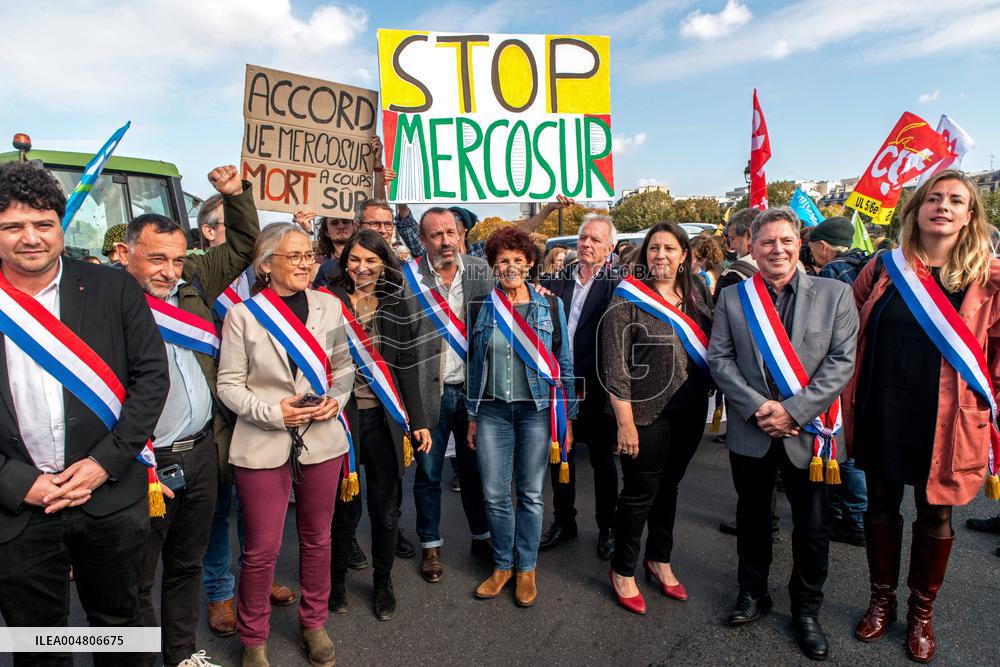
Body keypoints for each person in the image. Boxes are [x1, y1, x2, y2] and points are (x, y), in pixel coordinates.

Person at [0, 161, 169, 667]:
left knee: (120, 629)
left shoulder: (112, 288)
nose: (31, 237)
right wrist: (15, 482)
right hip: (16, 508)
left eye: (43, 223)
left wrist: (104, 463)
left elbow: (150, 379)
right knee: (37, 645)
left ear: (61, 224)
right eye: (12, 226)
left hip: (108, 497)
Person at [843, 170, 1000, 663]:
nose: (943, 206)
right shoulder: (883, 267)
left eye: (955, 200)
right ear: (917, 210)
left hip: (947, 418)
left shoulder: (988, 280)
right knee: (880, 503)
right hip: (881, 405)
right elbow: (849, 328)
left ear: (969, 215)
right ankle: (881, 600)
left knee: (937, 513)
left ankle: (921, 613)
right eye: (933, 198)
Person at [117, 165, 258, 667]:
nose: (169, 271)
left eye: (177, 259)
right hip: (142, 464)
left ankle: (181, 654)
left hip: (200, 453)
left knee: (185, 566)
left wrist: (236, 195)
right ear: (124, 255)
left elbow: (244, 246)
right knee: (135, 579)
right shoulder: (107, 303)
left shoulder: (195, 281)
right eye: (156, 258)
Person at [708, 206, 859, 661]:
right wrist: (759, 409)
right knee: (752, 519)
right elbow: (720, 360)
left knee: (812, 528)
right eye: (767, 242)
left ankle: (806, 610)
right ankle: (752, 593)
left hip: (811, 434)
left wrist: (793, 412)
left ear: (800, 244)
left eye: (786, 241)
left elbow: (841, 362)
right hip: (752, 429)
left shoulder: (835, 294)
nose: (777, 249)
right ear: (751, 248)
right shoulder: (734, 297)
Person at [216, 223, 355, 667]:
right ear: (265, 264)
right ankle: (253, 638)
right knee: (261, 549)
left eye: (308, 255)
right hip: (262, 440)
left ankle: (313, 623)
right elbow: (228, 385)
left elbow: (344, 367)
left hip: (322, 439)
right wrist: (272, 413)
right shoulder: (244, 315)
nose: (305, 263)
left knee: (317, 539)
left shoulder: (330, 306)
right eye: (293, 256)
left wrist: (335, 401)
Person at [604, 222, 714, 615]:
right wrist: (625, 423)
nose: (661, 255)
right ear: (644, 254)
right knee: (639, 493)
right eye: (654, 248)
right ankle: (622, 569)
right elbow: (614, 365)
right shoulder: (627, 296)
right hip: (645, 414)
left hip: (691, 410)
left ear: (684, 255)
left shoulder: (697, 290)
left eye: (669, 248)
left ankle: (659, 559)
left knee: (670, 487)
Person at [465, 227, 576, 607]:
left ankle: (526, 568)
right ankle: (502, 566)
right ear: (494, 267)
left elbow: (564, 363)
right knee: (495, 494)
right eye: (502, 261)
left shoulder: (551, 307)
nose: (510, 267)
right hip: (492, 411)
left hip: (537, 412)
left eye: (517, 260)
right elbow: (474, 364)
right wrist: (472, 415)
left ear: (530, 263)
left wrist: (568, 419)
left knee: (530, 494)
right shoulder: (481, 307)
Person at [325, 230, 431, 621]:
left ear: (384, 263)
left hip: (385, 421)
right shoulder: (327, 300)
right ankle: (336, 583)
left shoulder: (395, 303)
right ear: (344, 262)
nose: (362, 267)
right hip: (341, 420)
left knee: (386, 512)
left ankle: (383, 582)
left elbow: (407, 366)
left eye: (371, 260)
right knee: (344, 511)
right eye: (355, 259)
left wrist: (419, 421)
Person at [402, 208, 494, 582]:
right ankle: (431, 545)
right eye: (436, 235)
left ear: (460, 235)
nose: (445, 241)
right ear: (423, 240)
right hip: (430, 393)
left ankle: (482, 537)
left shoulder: (480, 271)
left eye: (450, 233)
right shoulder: (408, 278)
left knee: (475, 471)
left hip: (472, 393)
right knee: (428, 474)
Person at [538, 214, 621, 559]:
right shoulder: (553, 282)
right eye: (583, 237)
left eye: (595, 240)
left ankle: (608, 528)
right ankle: (563, 521)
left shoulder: (619, 285)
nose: (586, 244)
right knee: (561, 456)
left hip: (597, 388)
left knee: (602, 462)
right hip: (558, 386)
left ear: (610, 248)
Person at [807, 215, 871, 548]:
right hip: (864, 365)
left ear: (822, 246)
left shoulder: (832, 273)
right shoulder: (868, 267)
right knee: (855, 442)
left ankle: (853, 516)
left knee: (839, 441)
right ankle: (857, 513)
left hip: (838, 367)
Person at [714, 207, 760, 300]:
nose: (731, 246)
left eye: (732, 239)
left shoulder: (734, 275)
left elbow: (718, 306)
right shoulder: (785, 267)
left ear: (748, 234)